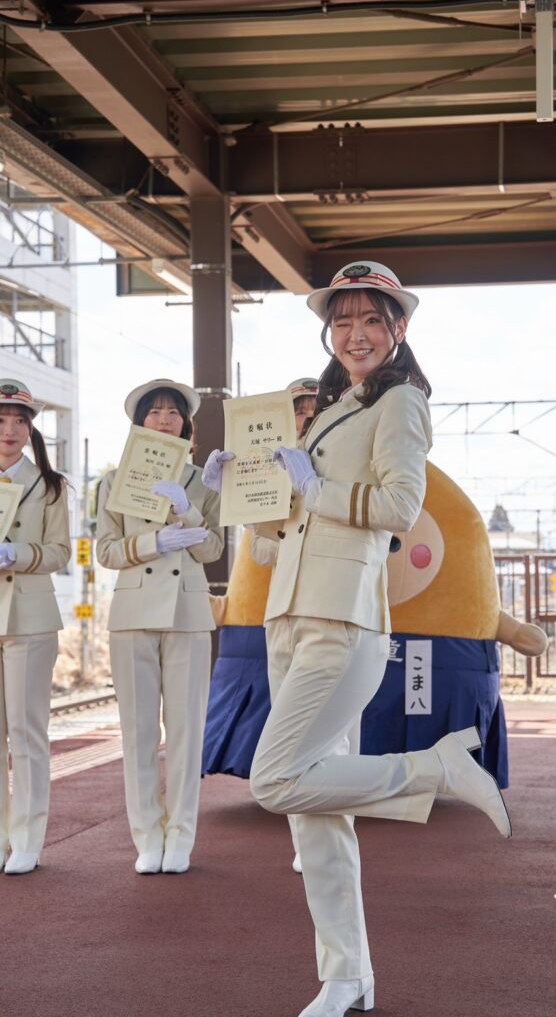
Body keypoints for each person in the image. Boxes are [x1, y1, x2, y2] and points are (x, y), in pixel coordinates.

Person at [202, 262, 510, 1017]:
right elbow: (285, 536)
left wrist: (316, 488)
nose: (355, 334)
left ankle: (430, 770)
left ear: (397, 330)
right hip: (290, 613)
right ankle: (347, 976)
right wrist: (238, 495)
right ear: (328, 331)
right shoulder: (331, 407)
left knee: (275, 781)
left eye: (371, 320)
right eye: (342, 321)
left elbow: (400, 508)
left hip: (344, 620)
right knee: (317, 817)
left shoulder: (400, 402)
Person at [96, 379, 224, 875]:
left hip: (188, 613)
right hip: (131, 615)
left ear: (186, 424)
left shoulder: (203, 481)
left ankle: (181, 837)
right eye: (155, 411)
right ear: (140, 423)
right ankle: (147, 836)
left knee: (188, 732)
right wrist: (156, 542)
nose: (165, 418)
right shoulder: (112, 482)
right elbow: (107, 551)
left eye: (173, 411)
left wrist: (188, 509)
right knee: (139, 733)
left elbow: (213, 550)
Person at [203, 378, 320, 873]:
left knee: (334, 731)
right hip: (282, 614)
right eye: (298, 410)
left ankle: (332, 836)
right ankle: (304, 840)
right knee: (289, 734)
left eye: (315, 409)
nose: (306, 418)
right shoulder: (272, 467)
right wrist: (248, 501)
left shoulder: (339, 460)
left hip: (334, 610)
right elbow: (263, 550)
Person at [0, 379, 70, 876]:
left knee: (26, 733)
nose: (10, 429)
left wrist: (17, 553)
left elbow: (61, 553)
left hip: (29, 616)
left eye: (20, 420)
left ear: (30, 430)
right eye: (2, 420)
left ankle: (27, 838)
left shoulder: (50, 485)